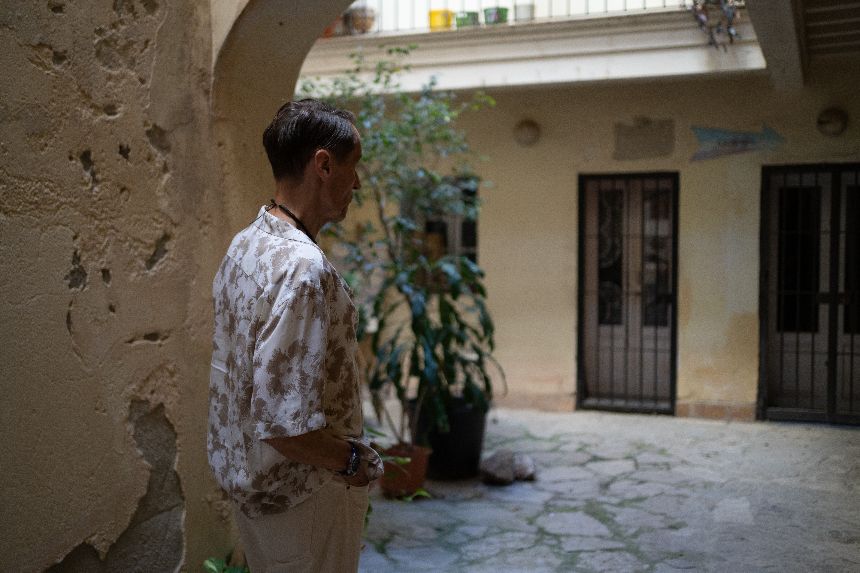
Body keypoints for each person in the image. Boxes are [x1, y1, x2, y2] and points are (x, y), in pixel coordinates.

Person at [207, 99, 383, 573]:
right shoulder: (300, 268)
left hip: (257, 493)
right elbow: (288, 426)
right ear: (323, 164)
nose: (358, 182)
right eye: (354, 166)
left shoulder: (247, 243)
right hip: (303, 498)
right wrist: (353, 460)